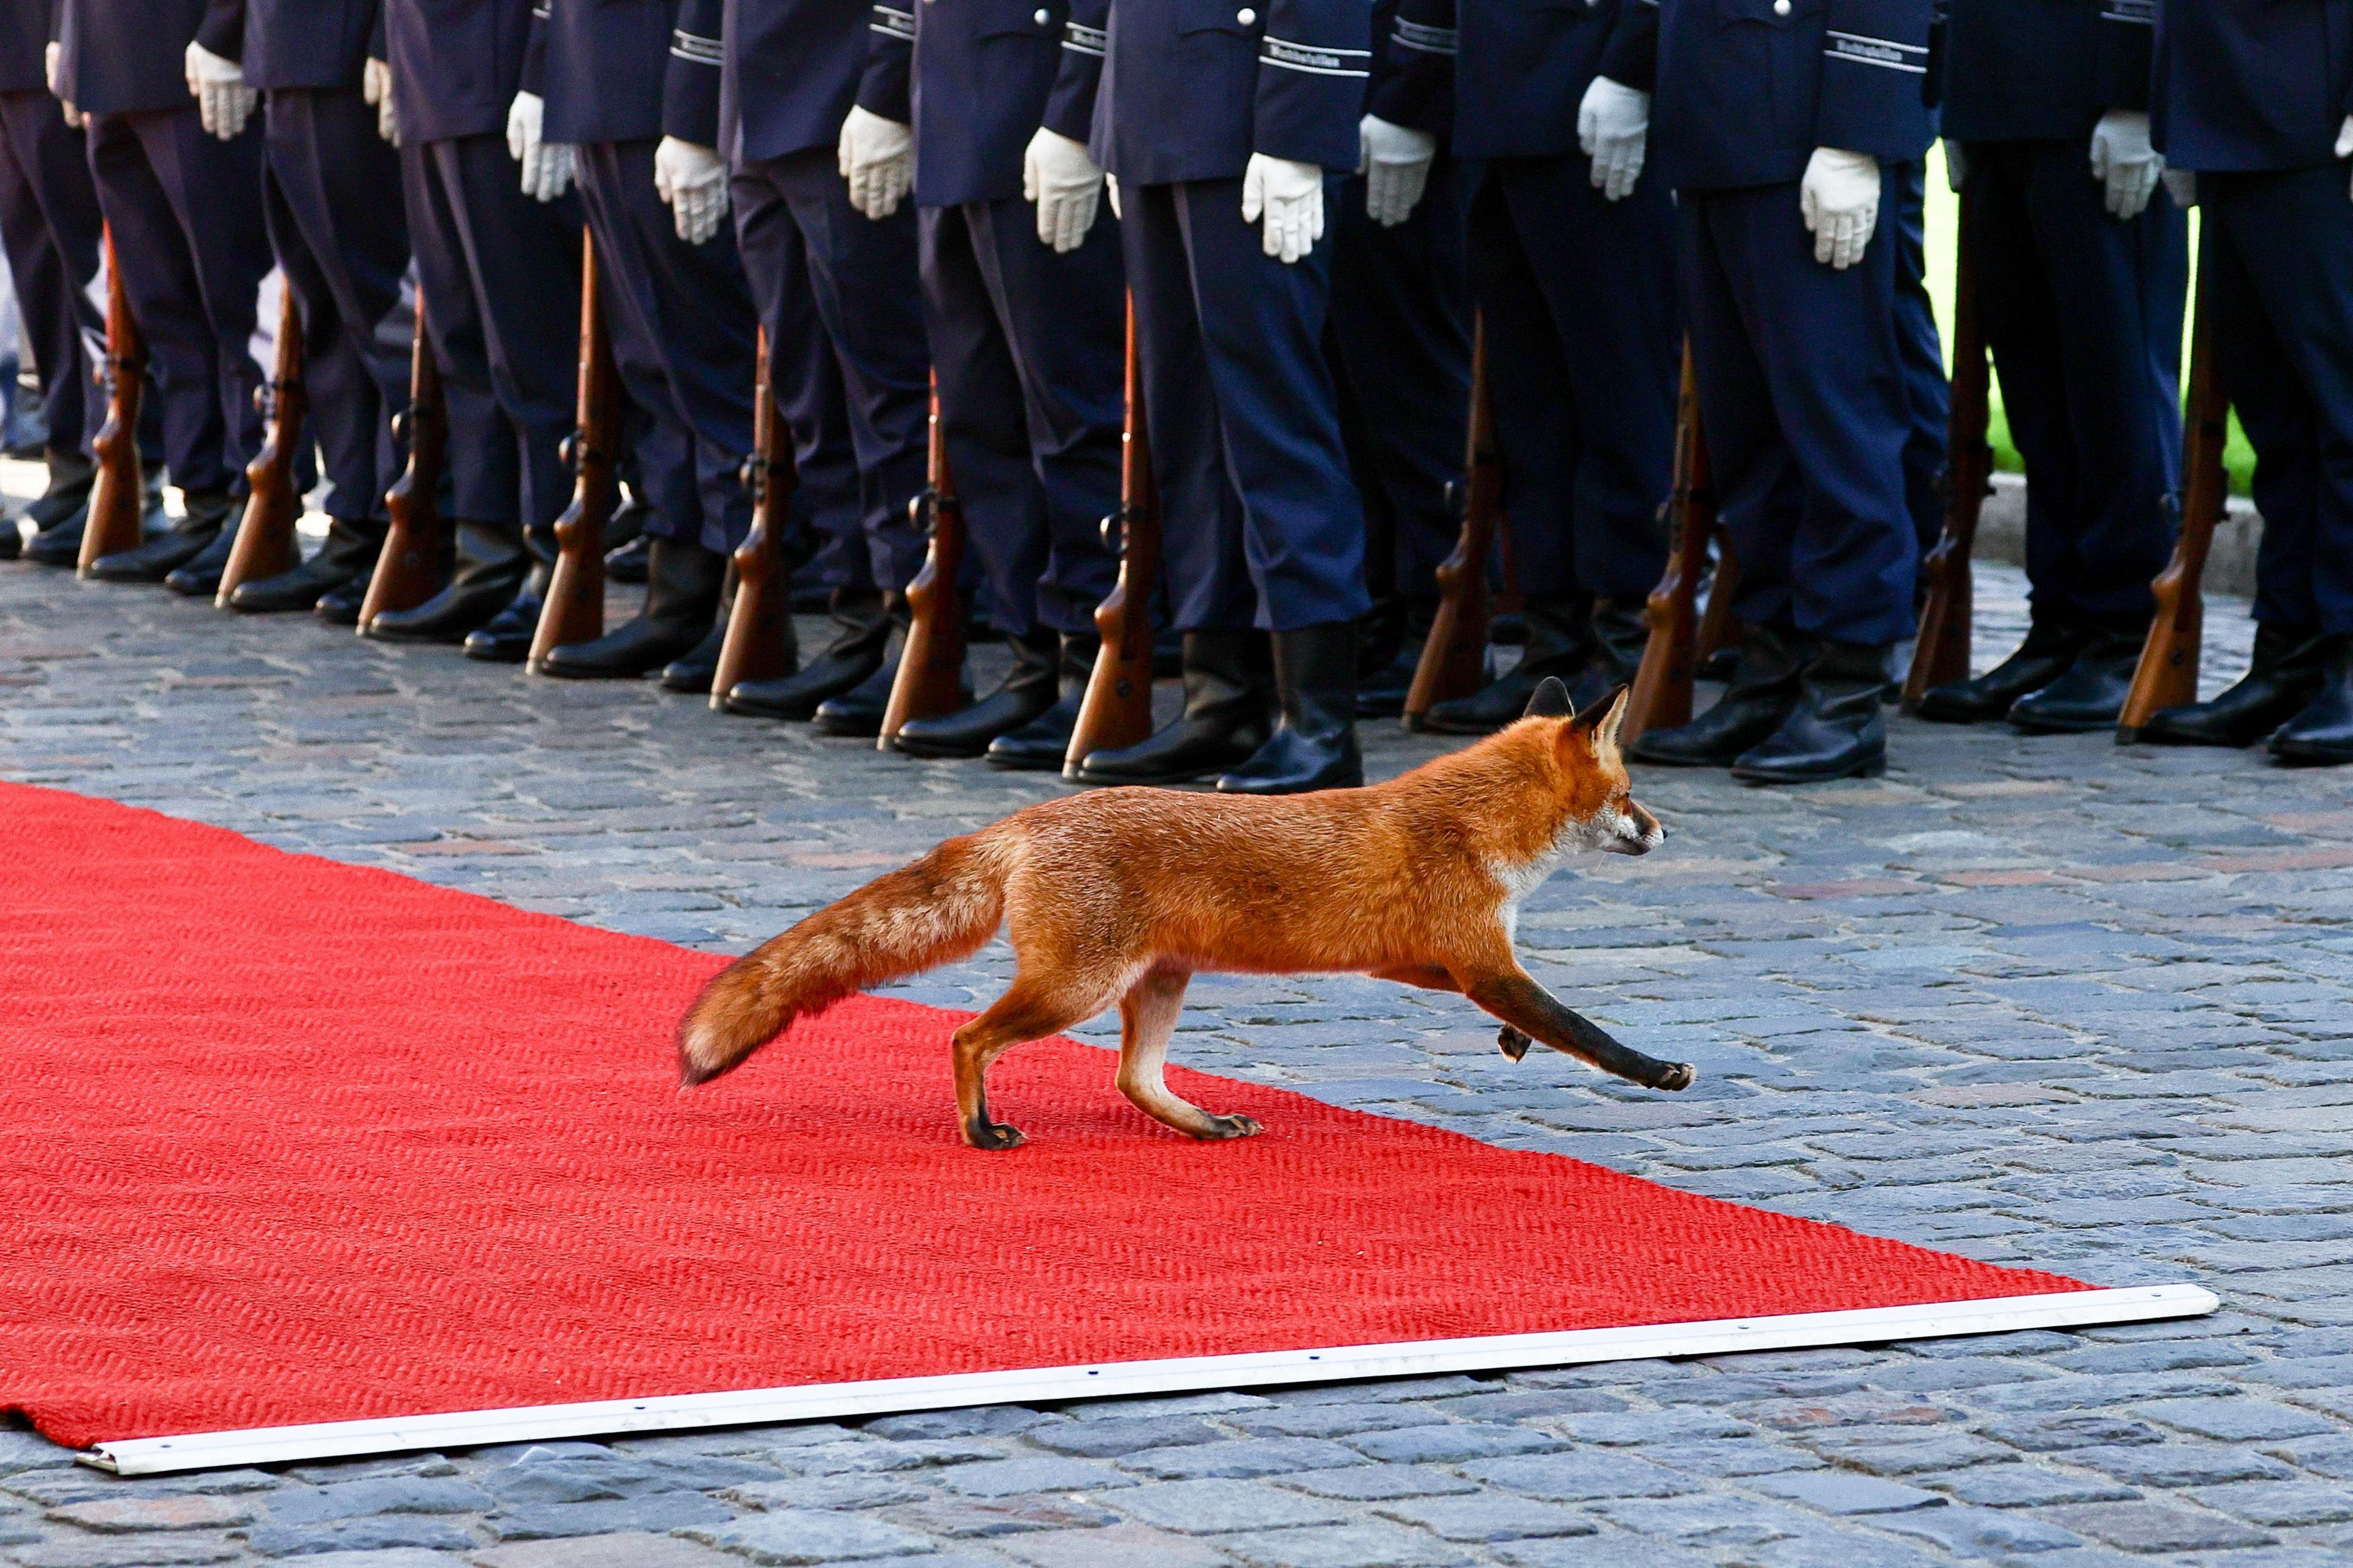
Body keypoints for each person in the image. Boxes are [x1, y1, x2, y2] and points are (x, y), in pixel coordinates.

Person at [1069, 0, 1373, 793]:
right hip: (1155, 107)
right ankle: (1223, 697)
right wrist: (1114, 116)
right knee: (1188, 429)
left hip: (1247, 116)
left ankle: (1318, 720)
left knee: (1274, 418)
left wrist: (1299, 130)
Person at [1627, 0, 1934, 784]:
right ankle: (1773, 660)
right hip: (1720, 118)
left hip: (1806, 124)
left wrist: (1858, 132)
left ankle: (1845, 684)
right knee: (1748, 434)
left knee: (1838, 422)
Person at [1372, 0, 1676, 732]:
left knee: (1621, 396)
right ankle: (1555, 645)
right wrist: (1415, 94)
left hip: (1598, 86)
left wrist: (1634, 60)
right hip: (1501, 102)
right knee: (1530, 411)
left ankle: (1623, 645)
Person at [858, 0, 1127, 765]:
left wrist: (1075, 111)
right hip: (953, 109)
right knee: (981, 419)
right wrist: (890, 101)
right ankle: (1029, 657)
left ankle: (1090, 658)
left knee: (1068, 413)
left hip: (1039, 112)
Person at [1917, 0, 2186, 732]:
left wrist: (2136, 90)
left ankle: (2127, 626)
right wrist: (1957, 92)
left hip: (2094, 96)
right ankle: (2062, 620)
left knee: (2114, 385)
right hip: (2001, 98)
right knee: (2036, 393)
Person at [2139, 0, 2353, 764]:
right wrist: (2177, 114)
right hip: (2232, 103)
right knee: (2278, 414)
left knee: (2342, 403)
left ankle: (2345, 651)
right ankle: (2294, 651)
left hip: (2318, 107)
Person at [523, 0, 760, 684]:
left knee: (705, 365)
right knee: (648, 364)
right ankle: (678, 588)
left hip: (660, 77)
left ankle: (739, 593)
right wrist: (546, 70)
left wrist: (691, 107)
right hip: (597, 73)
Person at [715, 0, 933, 732]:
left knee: (884, 392)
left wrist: (885, 88)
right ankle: (857, 619)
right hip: (759, 105)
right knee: (809, 397)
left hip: (845, 101)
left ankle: (919, 629)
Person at [362, 0, 583, 659]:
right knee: (459, 339)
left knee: (525, 345)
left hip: (500, 66)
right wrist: (388, 42)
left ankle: (553, 556)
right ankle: (485, 554)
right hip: (428, 62)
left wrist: (544, 70)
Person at [52, 0, 273, 592]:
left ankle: (249, 491)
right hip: (106, 52)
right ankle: (202, 498)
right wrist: (67, 36)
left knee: (233, 299)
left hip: (193, 50)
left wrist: (226, 31)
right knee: (163, 308)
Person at [211, 0, 414, 624]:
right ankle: (356, 517)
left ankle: (411, 518)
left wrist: (389, 33)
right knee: (323, 313)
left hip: (348, 48)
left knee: (379, 312)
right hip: (287, 49)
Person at [1330, 0, 1472, 721]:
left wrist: (1412, 89)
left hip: (1397, 101)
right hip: (1331, 99)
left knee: (1410, 385)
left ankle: (1435, 618)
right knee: (1350, 385)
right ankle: (1383, 610)